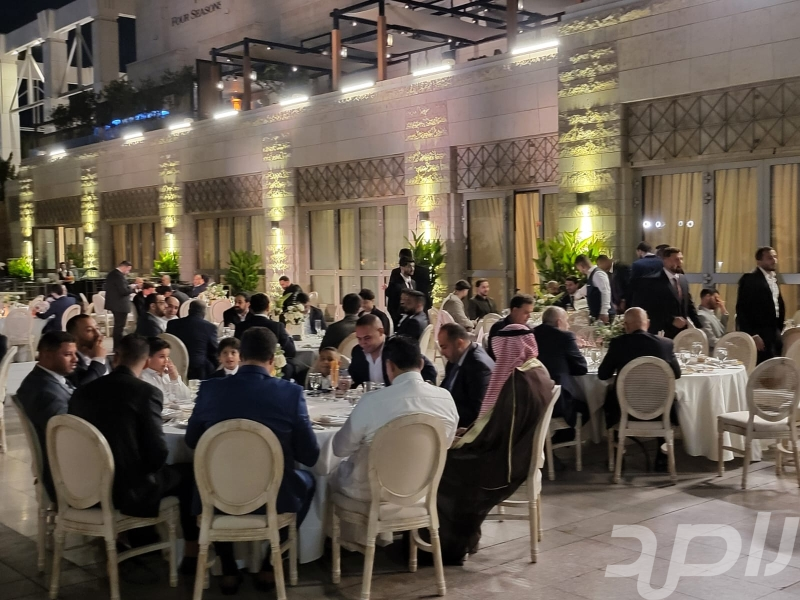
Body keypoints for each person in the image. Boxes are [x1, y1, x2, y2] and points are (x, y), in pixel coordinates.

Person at [186, 327, 319, 593]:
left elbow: (191, 440)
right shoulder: (290, 393)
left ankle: (228, 566)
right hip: (274, 497)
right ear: (272, 359)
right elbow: (311, 455)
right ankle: (271, 561)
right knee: (309, 481)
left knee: (208, 480)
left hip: (217, 496)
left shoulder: (210, 389)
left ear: (242, 355)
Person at [69, 334, 199, 573]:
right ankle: (192, 552)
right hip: (127, 491)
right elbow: (158, 454)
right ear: (146, 361)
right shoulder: (146, 393)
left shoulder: (82, 392)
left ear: (116, 357)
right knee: (190, 474)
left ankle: (142, 536)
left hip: (86, 486)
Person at [434, 324, 553, 564]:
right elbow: (498, 422)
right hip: (520, 451)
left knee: (443, 466)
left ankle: (450, 545)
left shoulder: (518, 381)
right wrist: (470, 431)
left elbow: (497, 432)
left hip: (507, 460)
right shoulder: (536, 369)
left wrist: (464, 440)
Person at [332, 335, 458, 501]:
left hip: (370, 492)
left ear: (389, 366)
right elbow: (445, 444)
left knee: (328, 473)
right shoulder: (446, 398)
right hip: (422, 491)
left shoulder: (372, 401)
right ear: (421, 364)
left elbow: (339, 449)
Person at [16, 332, 78, 499]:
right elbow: (66, 437)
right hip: (67, 477)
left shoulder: (45, 379)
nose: (75, 359)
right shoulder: (44, 392)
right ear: (46, 355)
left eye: (75, 353)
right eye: (68, 354)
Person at [597, 308, 681, 430]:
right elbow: (677, 374)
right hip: (661, 410)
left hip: (624, 411)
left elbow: (603, 374)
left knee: (609, 393)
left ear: (625, 325)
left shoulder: (618, 344)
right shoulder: (665, 344)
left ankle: (614, 439)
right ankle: (662, 439)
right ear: (648, 323)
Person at [533, 307, 588, 427]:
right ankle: (567, 435)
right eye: (566, 321)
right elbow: (582, 368)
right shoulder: (565, 336)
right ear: (559, 322)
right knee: (588, 407)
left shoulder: (531, 334)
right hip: (558, 398)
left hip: (534, 397)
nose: (568, 325)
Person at [348, 314, 437, 387]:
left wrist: (422, 388)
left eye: (367, 338)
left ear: (380, 332)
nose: (362, 343)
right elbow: (354, 380)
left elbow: (429, 369)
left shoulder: (397, 348)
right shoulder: (358, 352)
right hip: (371, 400)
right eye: (359, 338)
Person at [633, 247, 701, 339]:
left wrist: (699, 327)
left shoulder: (683, 280)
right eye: (676, 259)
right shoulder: (652, 282)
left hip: (682, 335)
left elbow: (689, 305)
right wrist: (671, 320)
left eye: (681, 259)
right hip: (662, 333)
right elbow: (648, 309)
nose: (680, 262)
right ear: (665, 260)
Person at [438, 323, 494, 427]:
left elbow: (476, 413)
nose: (441, 352)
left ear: (459, 343)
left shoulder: (478, 366)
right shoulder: (455, 358)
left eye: (444, 347)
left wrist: (442, 408)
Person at [736, 246, 785, 363]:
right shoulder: (750, 279)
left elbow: (776, 305)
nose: (774, 260)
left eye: (775, 257)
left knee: (775, 367)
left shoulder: (774, 279)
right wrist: (753, 335)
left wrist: (779, 329)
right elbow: (742, 310)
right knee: (763, 369)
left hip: (774, 333)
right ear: (759, 261)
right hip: (760, 334)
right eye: (769, 258)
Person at [234, 293, 296, 379]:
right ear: (268, 307)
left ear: (250, 309)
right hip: (273, 369)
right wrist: (289, 336)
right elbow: (290, 351)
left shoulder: (240, 326)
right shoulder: (277, 326)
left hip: (245, 368)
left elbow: (236, 349)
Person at [166, 301, 219, 380]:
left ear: (189, 311)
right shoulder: (210, 327)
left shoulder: (172, 324)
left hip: (173, 365)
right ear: (204, 312)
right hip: (197, 370)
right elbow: (214, 351)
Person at [139, 337, 192, 402]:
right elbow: (160, 401)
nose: (166, 361)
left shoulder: (168, 373)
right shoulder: (142, 377)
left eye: (168, 356)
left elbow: (187, 398)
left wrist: (175, 379)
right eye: (162, 357)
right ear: (148, 357)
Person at [486, 294, 534, 360]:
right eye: (526, 313)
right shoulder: (500, 329)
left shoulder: (527, 329)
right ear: (515, 310)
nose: (529, 316)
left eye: (530, 313)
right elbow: (499, 356)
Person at [65, 314, 107, 387]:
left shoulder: (105, 357)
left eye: (97, 328)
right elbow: (83, 387)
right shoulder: (69, 361)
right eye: (89, 330)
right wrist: (98, 359)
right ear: (74, 336)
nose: (98, 334)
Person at [105, 260, 134, 349]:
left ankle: (117, 347)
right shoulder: (118, 276)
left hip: (116, 304)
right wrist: (132, 288)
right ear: (124, 267)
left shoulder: (112, 274)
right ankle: (117, 347)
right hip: (119, 305)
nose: (128, 272)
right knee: (119, 327)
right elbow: (123, 291)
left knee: (118, 326)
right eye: (128, 270)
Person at [574, 255, 611, 323]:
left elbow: (605, 292)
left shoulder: (598, 274)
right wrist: (577, 295)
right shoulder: (591, 274)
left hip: (603, 315)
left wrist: (604, 312)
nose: (580, 271)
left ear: (582, 266)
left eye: (579, 269)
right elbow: (588, 287)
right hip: (597, 315)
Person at [386, 255, 416, 326]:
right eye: (409, 266)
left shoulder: (413, 282)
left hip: (411, 320)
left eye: (413, 266)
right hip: (399, 322)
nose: (412, 269)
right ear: (402, 267)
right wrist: (397, 321)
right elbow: (391, 306)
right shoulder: (395, 284)